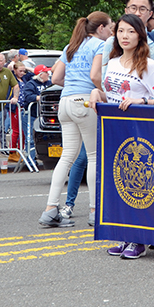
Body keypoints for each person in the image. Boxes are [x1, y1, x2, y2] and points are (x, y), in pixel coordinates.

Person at [93, 14, 154, 257]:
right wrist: (95, 94)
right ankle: (124, 235)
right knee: (119, 184)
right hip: (114, 131)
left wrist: (140, 100)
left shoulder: (149, 66)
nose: (125, 36)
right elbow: (107, 93)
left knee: (139, 186)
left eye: (131, 32)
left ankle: (139, 239)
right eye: (121, 31)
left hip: (140, 134)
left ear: (141, 35)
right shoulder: (111, 62)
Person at [40, 12, 114, 229]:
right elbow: (95, 76)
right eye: (110, 27)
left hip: (65, 102)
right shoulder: (100, 45)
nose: (111, 32)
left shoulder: (70, 46)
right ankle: (94, 210)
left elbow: (55, 78)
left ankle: (50, 209)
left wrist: (72, 88)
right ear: (100, 28)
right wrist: (103, 92)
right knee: (93, 157)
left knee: (66, 157)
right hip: (85, 101)